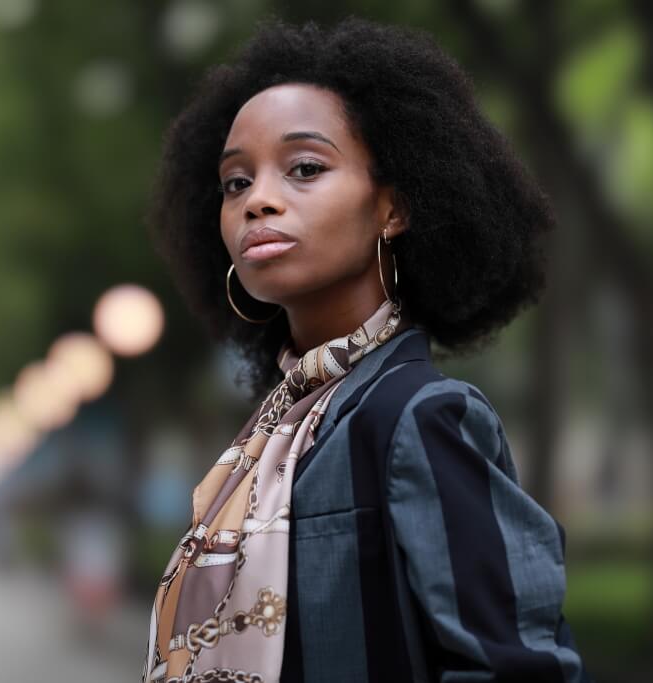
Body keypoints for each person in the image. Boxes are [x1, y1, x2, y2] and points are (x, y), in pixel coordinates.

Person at [142, 16, 591, 683]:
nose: (258, 200)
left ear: (393, 208)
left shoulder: (419, 418)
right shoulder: (267, 438)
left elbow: (517, 668)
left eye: (305, 168)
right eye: (236, 182)